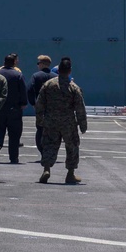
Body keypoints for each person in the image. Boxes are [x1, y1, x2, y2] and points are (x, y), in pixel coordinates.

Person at [36, 57, 87, 185]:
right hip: (68, 122)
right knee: (72, 147)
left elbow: (40, 103)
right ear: (69, 71)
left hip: (51, 121)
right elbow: (80, 108)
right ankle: (70, 174)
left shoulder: (48, 85)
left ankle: (46, 169)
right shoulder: (73, 87)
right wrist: (83, 125)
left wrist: (40, 119)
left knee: (49, 145)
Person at [0, 54, 28, 163]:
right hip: (14, 109)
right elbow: (23, 90)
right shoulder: (18, 75)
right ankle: (13, 158)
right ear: (14, 62)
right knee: (14, 135)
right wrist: (23, 102)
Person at [27, 55, 56, 154]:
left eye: (38, 63)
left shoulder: (36, 76)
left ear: (42, 64)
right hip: (54, 108)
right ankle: (51, 150)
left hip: (41, 108)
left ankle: (42, 150)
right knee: (53, 130)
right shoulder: (56, 77)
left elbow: (30, 89)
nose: (38, 65)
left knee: (40, 129)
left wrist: (33, 103)